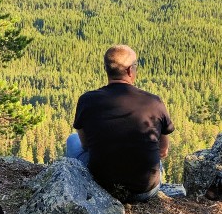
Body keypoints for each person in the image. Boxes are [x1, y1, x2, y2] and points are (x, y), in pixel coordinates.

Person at [66, 44, 174, 201]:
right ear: (130, 70)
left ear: (106, 69)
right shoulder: (154, 102)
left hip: (101, 188)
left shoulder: (86, 100)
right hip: (144, 191)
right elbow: (163, 151)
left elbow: (85, 146)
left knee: (72, 140)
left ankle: (77, 187)